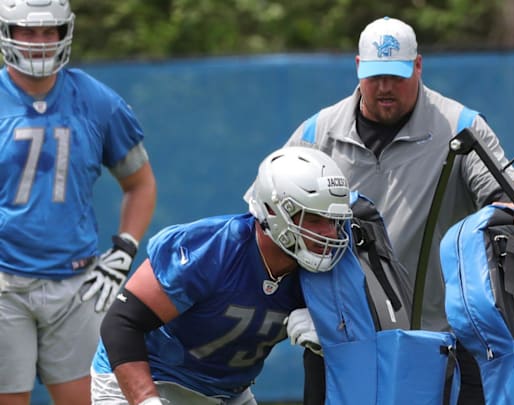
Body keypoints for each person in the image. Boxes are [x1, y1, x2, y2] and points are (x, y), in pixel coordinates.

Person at [274, 16, 514, 404]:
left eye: (396, 75)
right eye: (374, 75)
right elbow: (271, 219)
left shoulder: (460, 125)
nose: (385, 87)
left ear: (418, 66)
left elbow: (502, 193)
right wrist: (294, 305)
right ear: (357, 68)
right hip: (341, 337)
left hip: (443, 339)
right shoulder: (318, 133)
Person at [90, 146, 354, 405]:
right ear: (273, 212)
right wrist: (146, 401)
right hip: (150, 378)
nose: (329, 234)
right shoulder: (212, 250)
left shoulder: (327, 271)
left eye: (333, 221)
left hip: (225, 393)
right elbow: (122, 323)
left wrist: (329, 332)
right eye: (314, 219)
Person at [0, 0, 157, 404]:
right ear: (8, 32)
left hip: (76, 285)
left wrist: (124, 249)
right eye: (28, 32)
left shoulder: (97, 101)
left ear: (64, 32)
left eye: (48, 31)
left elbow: (140, 184)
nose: (38, 43)